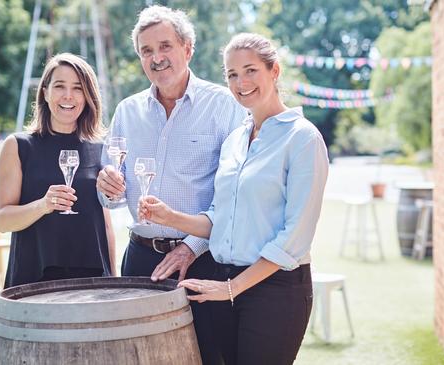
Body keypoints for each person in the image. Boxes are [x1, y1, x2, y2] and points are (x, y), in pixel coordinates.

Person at [139, 33, 329, 365]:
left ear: (274, 71)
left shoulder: (303, 138)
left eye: (250, 70)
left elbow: (293, 240)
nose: (241, 82)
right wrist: (170, 217)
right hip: (223, 280)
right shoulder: (235, 140)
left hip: (276, 289)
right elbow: (219, 219)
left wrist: (232, 289)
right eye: (231, 74)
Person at [94, 5, 247, 364]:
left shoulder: (224, 105)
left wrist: (192, 247)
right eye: (146, 50)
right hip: (140, 258)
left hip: (205, 260)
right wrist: (108, 186)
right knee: (137, 356)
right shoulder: (127, 111)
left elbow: (234, 194)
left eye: (165, 46)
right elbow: (110, 193)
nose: (156, 57)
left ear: (187, 48)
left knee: (208, 356)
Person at [0, 53, 116, 288]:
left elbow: (106, 224)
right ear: (45, 92)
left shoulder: (100, 149)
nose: (68, 96)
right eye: (59, 86)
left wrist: (113, 279)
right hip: (34, 279)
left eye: (78, 88)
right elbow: (2, 221)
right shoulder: (18, 146)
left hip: (91, 282)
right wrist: (43, 205)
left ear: (88, 95)